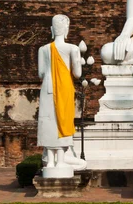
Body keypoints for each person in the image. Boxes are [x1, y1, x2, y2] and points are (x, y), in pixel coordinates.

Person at [37, 15, 86, 174]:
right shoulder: (73, 48)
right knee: (62, 121)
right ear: (66, 29)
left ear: (51, 30)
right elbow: (78, 74)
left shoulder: (43, 49)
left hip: (47, 88)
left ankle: (50, 162)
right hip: (64, 88)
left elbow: (41, 73)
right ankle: (60, 161)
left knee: (50, 121)